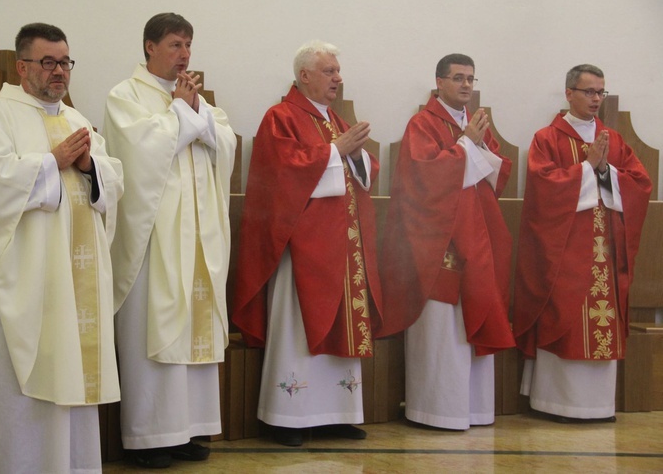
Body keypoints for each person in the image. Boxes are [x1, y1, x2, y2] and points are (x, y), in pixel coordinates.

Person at [0, 23, 124, 473]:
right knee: (23, 400)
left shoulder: (79, 121)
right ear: (22, 67)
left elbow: (114, 183)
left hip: (77, 291)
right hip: (21, 293)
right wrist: (51, 163)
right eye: (48, 62)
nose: (59, 71)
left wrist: (90, 167)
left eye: (65, 61)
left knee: (74, 394)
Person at [232, 40, 383, 447]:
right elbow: (282, 175)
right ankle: (287, 417)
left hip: (341, 245)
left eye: (337, 70)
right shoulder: (280, 117)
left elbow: (362, 169)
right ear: (305, 76)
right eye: (330, 71)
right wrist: (336, 151)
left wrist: (352, 154)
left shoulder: (334, 118)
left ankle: (336, 414)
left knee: (340, 327)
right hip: (301, 248)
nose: (338, 78)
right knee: (298, 330)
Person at [103, 13, 237, 469]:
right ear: (149, 47)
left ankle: (188, 431)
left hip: (198, 236)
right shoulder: (126, 96)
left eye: (188, 46)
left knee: (194, 330)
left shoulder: (196, 99)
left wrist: (194, 114)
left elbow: (225, 142)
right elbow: (139, 153)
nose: (185, 55)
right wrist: (183, 114)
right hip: (154, 240)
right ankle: (150, 436)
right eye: (176, 45)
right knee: (154, 330)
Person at [380, 53, 515, 431]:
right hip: (437, 244)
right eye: (458, 78)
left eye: (471, 78)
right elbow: (424, 178)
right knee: (443, 330)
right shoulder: (422, 124)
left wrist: (477, 146)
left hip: (476, 236)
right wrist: (467, 146)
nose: (467, 85)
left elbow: (494, 173)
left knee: (473, 316)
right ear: (439, 82)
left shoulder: (473, 126)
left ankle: (474, 409)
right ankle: (435, 410)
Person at [513, 64, 651, 422]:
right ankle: (557, 403)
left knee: (601, 318)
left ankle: (598, 405)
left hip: (606, 251)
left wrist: (605, 171)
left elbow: (639, 184)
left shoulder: (614, 140)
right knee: (566, 316)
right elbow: (543, 188)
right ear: (569, 93)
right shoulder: (548, 138)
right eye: (589, 91)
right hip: (564, 254)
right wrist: (586, 169)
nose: (596, 99)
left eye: (600, 92)